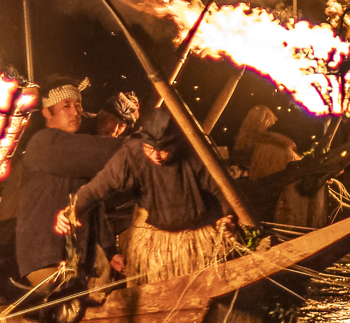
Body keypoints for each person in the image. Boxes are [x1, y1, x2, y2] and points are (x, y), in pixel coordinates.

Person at [54, 107, 234, 285]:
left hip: (198, 240)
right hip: (156, 244)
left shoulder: (196, 151)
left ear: (176, 143)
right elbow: (101, 185)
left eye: (163, 149)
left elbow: (222, 189)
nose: (155, 155)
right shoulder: (132, 152)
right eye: (149, 147)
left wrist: (228, 217)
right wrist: (74, 208)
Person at [15, 76, 124, 295]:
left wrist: (111, 251)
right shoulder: (44, 143)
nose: (76, 112)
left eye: (78, 105)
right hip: (48, 257)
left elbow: (93, 202)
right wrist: (147, 143)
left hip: (73, 256)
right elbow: (103, 152)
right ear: (47, 112)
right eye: (66, 106)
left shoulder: (74, 151)